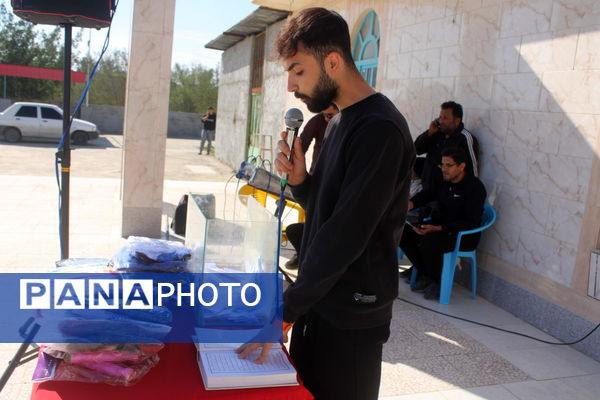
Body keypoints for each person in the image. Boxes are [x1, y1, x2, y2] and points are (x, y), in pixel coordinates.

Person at [236, 8, 415, 400]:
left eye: (298, 70)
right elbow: (330, 210)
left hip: (351, 315)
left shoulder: (379, 129)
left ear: (332, 61)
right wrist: (302, 183)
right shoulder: (338, 122)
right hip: (319, 303)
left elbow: (346, 233)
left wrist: (286, 309)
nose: (291, 85)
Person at [399, 147, 486, 300]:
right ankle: (425, 273)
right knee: (403, 234)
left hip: (461, 235)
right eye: (442, 165)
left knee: (429, 242)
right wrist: (411, 204)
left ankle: (438, 282)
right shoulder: (443, 181)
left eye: (448, 165)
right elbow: (427, 194)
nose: (444, 169)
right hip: (438, 228)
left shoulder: (475, 188)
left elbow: (471, 222)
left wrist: (439, 228)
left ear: (461, 166)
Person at [285, 103, 339, 269]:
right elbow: (304, 142)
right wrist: (293, 156)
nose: (325, 118)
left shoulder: (351, 125)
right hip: (317, 177)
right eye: (323, 114)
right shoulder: (318, 121)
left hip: (337, 183)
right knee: (310, 221)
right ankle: (303, 254)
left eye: (330, 115)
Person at [414, 101, 478, 190]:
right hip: (427, 189)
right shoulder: (436, 133)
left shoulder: (464, 138)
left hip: (448, 193)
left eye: (445, 118)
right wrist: (428, 134)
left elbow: (472, 170)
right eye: (440, 117)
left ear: (457, 120)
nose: (441, 121)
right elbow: (417, 149)